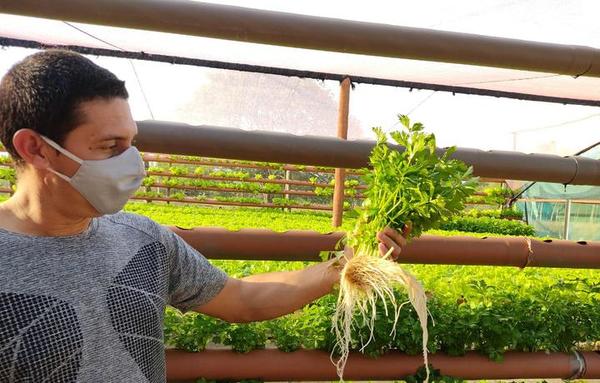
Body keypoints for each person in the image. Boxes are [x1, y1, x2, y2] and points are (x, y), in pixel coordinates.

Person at [0, 49, 409, 382]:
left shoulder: (143, 240)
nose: (132, 162)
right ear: (35, 148)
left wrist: (348, 266)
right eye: (109, 146)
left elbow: (243, 299)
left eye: (131, 143)